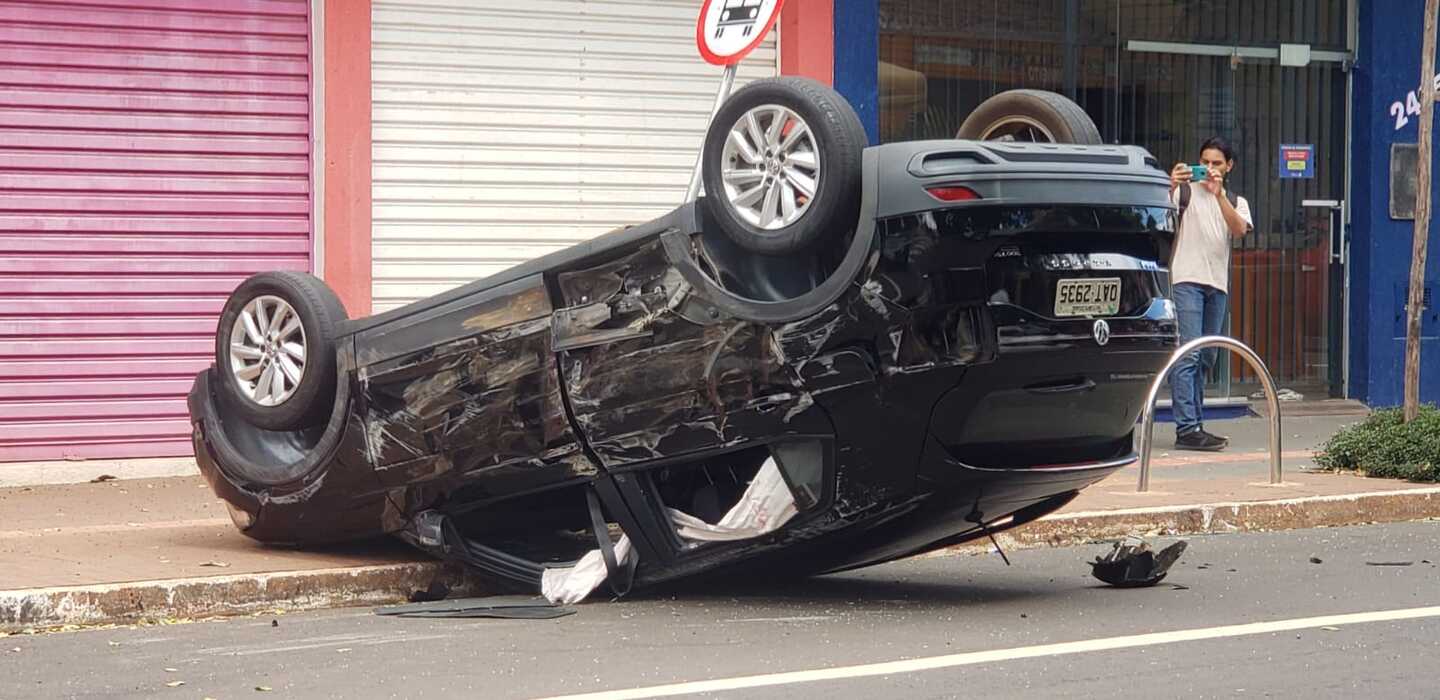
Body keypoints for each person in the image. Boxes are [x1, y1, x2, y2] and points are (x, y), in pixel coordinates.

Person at [1166, 137, 1253, 451]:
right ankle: (1187, 428)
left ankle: (1196, 423)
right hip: (1186, 279)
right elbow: (1156, 213)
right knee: (1188, 353)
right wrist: (1169, 183)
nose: (1209, 168)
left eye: (1217, 163)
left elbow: (1239, 229)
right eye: (1204, 162)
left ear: (1229, 167)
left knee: (1207, 356)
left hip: (1217, 284)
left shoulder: (1235, 200)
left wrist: (1219, 196)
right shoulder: (1184, 192)